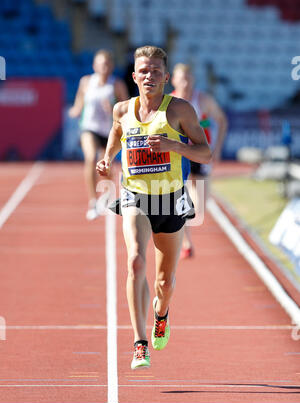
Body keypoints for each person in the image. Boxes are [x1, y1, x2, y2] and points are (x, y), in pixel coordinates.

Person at [96, 46, 211, 370]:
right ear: (134, 76)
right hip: (135, 196)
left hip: (171, 200)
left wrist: (174, 145)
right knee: (134, 261)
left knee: (165, 282)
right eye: (143, 71)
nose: (149, 76)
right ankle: (139, 343)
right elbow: (116, 137)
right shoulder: (122, 109)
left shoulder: (180, 110)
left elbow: (206, 153)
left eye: (156, 71)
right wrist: (107, 160)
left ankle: (162, 315)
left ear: (164, 76)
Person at [171, 63, 228, 258]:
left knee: (200, 207)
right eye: (181, 78)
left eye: (188, 78)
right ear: (173, 80)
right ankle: (186, 241)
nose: (185, 82)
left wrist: (218, 148)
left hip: (202, 154)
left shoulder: (203, 100)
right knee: (181, 198)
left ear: (193, 80)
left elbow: (221, 120)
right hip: (179, 155)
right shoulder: (169, 102)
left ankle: (186, 227)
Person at [69, 49, 128, 220]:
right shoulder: (86, 82)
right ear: (95, 65)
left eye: (108, 63)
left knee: (106, 166)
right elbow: (79, 102)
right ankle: (92, 201)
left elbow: (126, 110)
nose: (104, 67)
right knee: (90, 157)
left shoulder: (116, 84)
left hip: (109, 131)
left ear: (112, 66)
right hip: (89, 128)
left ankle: (106, 194)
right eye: (101, 63)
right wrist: (75, 110)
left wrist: (112, 110)